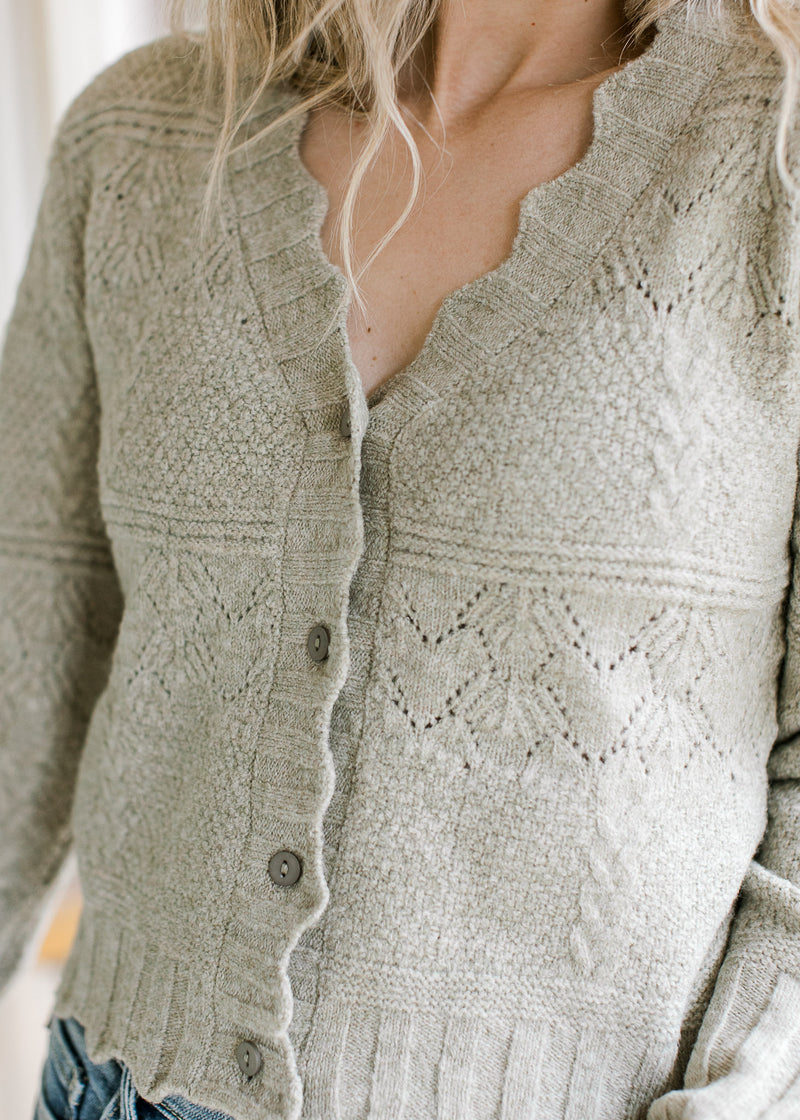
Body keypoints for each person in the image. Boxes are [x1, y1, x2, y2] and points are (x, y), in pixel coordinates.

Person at [2, 0, 800, 1116]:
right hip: (124, 1080)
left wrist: (747, 1083)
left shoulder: (769, 151)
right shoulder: (139, 139)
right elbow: (25, 650)